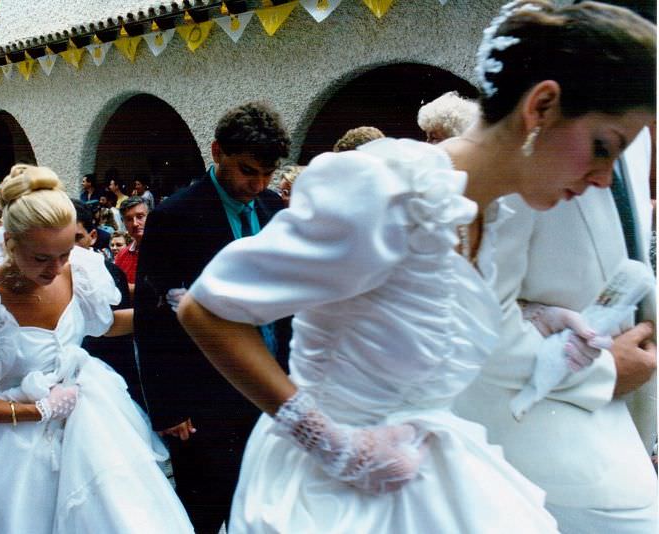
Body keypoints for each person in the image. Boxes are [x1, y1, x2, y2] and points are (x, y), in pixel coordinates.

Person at [175, 2, 655, 532]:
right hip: (330, 498)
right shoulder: (388, 187)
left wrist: (537, 321)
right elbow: (206, 310)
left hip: (433, 476)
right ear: (541, 106)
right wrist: (328, 440)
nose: (605, 177)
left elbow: (420, 315)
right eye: (603, 147)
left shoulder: (484, 213)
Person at [0, 164, 193, 534]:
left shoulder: (76, 268)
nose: (56, 268)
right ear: (11, 243)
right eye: (41, 258)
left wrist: (167, 310)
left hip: (93, 418)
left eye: (64, 253)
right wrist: (39, 410)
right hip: (23, 451)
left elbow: (105, 325)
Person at [453, 134, 657, 532]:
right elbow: (481, 319)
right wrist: (607, 371)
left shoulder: (635, 137)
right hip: (534, 418)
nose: (602, 176)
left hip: (627, 413)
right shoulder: (516, 155)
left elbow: (627, 257)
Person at [134, 101, 292, 533]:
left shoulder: (275, 210)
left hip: (272, 387)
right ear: (217, 151)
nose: (257, 184)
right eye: (246, 171)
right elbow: (154, 321)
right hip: (204, 400)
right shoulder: (174, 216)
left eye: (266, 173)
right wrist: (169, 407)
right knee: (205, 512)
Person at [73, 199, 146, 410]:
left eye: (77, 239)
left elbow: (117, 336)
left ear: (92, 236)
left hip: (104, 373)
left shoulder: (109, 273)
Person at [114, 196, 148, 287]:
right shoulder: (121, 255)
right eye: (129, 219)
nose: (135, 223)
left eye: (140, 217)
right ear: (123, 222)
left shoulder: (165, 251)